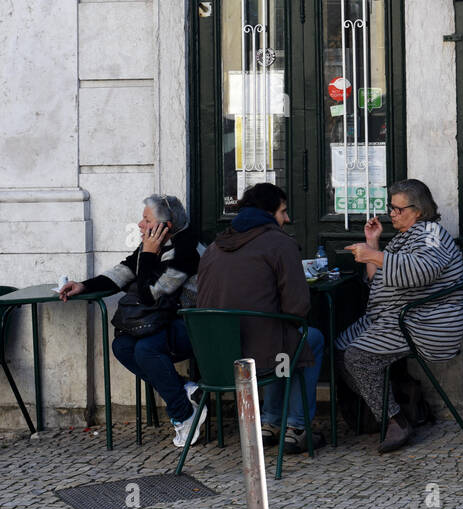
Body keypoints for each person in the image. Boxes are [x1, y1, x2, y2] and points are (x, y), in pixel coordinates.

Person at [59, 195, 203, 448]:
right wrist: (83, 285)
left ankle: (184, 415)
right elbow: (126, 270)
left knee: (146, 349)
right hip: (167, 320)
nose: (139, 224)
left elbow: (150, 295)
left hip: (195, 325)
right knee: (122, 346)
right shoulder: (156, 244)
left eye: (146, 220)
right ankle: (185, 390)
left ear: (164, 227)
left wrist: (148, 254)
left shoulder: (187, 253)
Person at [197, 183, 325, 454]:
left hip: (217, 359)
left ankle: (269, 423)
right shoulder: (280, 243)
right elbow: (297, 307)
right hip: (261, 358)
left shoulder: (213, 247)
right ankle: (296, 427)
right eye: (283, 212)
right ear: (268, 213)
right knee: (308, 338)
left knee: (281, 338)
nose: (287, 219)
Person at [339, 179, 463, 454]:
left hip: (424, 322)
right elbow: (378, 282)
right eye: (390, 208)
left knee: (356, 357)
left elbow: (422, 270)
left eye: (398, 209)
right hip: (396, 317)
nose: (392, 214)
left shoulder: (431, 233)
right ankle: (391, 407)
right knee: (340, 346)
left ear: (418, 210)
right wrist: (373, 243)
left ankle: (395, 419)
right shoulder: (403, 238)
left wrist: (375, 255)